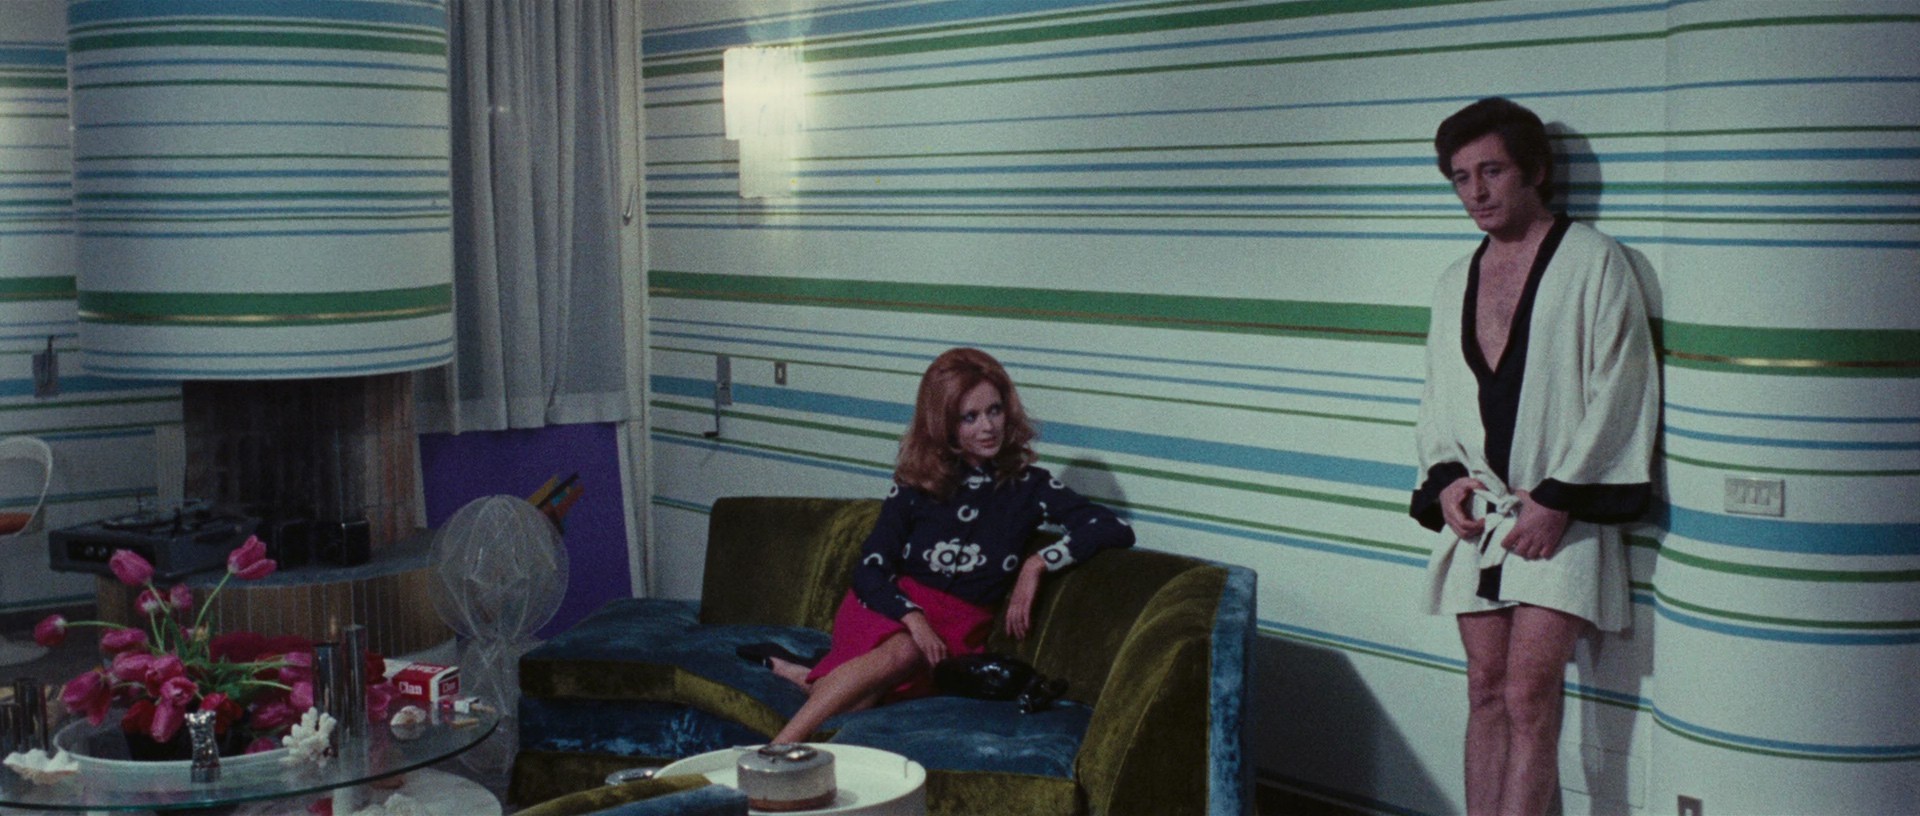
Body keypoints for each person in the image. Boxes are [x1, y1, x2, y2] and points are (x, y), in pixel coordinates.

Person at [1410, 97, 1659, 816]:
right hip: (1482, 516)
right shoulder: (1453, 279)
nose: (1476, 192)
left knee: (1528, 694)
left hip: (1563, 516)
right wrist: (1446, 480)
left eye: (1492, 171)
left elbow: (1622, 386)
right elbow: (1437, 396)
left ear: (1535, 171)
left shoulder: (1594, 262)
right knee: (1484, 688)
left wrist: (1558, 498)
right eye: (1461, 178)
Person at [756, 347, 1134, 745]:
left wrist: (1037, 563)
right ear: (945, 424)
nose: (987, 427)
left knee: (857, 704)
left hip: (959, 631)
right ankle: (776, 749)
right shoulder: (915, 485)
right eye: (969, 417)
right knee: (904, 651)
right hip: (889, 613)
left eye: (994, 410)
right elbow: (869, 570)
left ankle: (811, 679)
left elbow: (1113, 527)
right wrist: (913, 618)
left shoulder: (1029, 487)